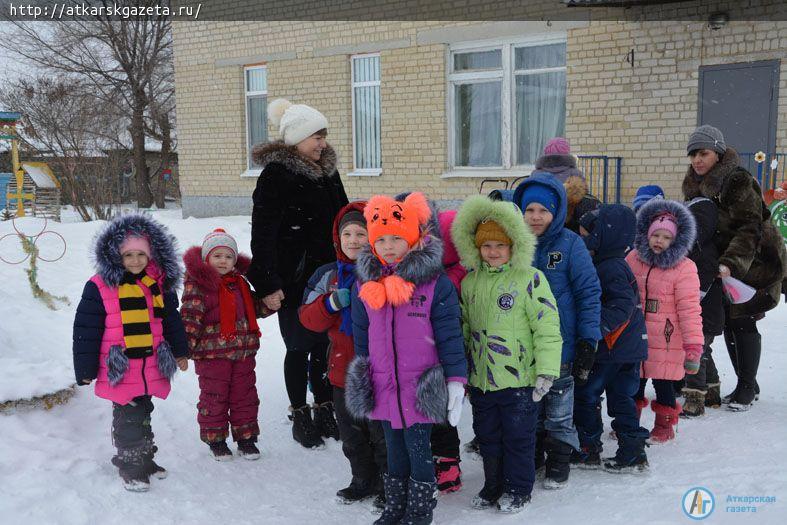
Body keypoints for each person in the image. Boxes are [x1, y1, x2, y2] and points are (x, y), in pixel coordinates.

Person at [345, 192, 467, 525]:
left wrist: (456, 379)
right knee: (394, 450)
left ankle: (419, 510)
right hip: (384, 385)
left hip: (419, 387)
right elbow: (361, 337)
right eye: (380, 239)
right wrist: (365, 375)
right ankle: (396, 506)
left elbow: (450, 335)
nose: (387, 246)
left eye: (396, 238)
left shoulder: (434, 285)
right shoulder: (365, 285)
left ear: (413, 239)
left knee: (418, 449)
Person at [248, 98, 349, 447]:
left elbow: (344, 218)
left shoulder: (328, 171)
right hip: (291, 278)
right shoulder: (277, 175)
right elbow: (263, 232)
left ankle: (323, 407)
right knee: (298, 346)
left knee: (324, 342)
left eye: (323, 135)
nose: (322, 143)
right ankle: (300, 413)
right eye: (315, 137)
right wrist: (267, 283)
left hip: (326, 275)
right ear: (296, 139)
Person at [452, 195, 562, 512]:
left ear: (514, 246)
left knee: (518, 438)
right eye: (487, 246)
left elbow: (547, 327)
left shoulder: (530, 279)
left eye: (501, 245)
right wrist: (462, 371)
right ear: (477, 249)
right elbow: (463, 328)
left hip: (518, 379)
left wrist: (546, 371)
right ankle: (493, 485)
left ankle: (518, 487)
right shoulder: (470, 282)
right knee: (488, 437)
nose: (494, 252)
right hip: (482, 379)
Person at [72, 213, 188, 492]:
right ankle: (131, 466)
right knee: (129, 416)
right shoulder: (100, 286)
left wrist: (180, 352)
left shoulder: (158, 284)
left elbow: (170, 319)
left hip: (150, 365)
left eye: (141, 254)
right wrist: (86, 370)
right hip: (120, 367)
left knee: (144, 411)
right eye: (128, 255)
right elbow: (86, 328)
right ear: (115, 255)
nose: (135, 261)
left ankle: (145, 460)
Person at [681, 125, 787, 411]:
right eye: (693, 155)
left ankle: (746, 385)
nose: (697, 161)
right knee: (728, 319)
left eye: (703, 154)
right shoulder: (693, 184)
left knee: (743, 318)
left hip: (756, 259)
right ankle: (747, 381)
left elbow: (750, 226)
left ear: (717, 152)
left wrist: (731, 262)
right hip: (721, 262)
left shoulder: (737, 180)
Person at [513, 173, 602, 489]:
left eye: (543, 211)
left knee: (560, 410)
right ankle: (535, 454)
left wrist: (588, 339)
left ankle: (559, 462)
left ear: (556, 212)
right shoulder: (512, 245)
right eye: (529, 210)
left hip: (561, 347)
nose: (536, 218)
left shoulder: (570, 244)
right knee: (530, 409)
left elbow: (588, 292)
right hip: (522, 348)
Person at [299, 202, 387, 509]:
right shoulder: (328, 275)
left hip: (378, 372)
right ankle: (362, 479)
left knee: (381, 432)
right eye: (346, 233)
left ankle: (389, 483)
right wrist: (329, 303)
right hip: (342, 371)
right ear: (337, 238)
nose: (353, 240)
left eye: (360, 233)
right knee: (350, 434)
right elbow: (307, 317)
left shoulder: (384, 272)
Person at [181, 229, 271, 460]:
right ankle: (216, 439)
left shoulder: (239, 283)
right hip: (212, 357)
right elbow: (190, 317)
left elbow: (253, 308)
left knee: (245, 395)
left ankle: (246, 438)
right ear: (206, 259)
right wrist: (183, 349)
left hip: (243, 352)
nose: (223, 261)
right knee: (214, 396)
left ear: (235, 260)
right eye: (217, 256)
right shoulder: (198, 284)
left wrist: (269, 304)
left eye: (228, 256)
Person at [574, 205, 650, 473]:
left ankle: (589, 448)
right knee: (622, 399)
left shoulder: (611, 267)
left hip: (612, 348)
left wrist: (594, 328)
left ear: (606, 236)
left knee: (587, 395)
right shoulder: (610, 263)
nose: (583, 239)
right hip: (626, 349)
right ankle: (631, 451)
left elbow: (622, 305)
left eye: (587, 234)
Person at [626, 199, 703, 443]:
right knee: (633, 383)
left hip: (667, 339)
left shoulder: (684, 268)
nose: (659, 241)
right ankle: (629, 424)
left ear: (677, 239)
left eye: (666, 237)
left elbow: (690, 309)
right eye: (655, 235)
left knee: (664, 383)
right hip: (635, 336)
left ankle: (664, 425)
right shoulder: (634, 259)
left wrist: (693, 347)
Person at [681, 196, 725, 416]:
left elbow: (702, 282)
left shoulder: (703, 250)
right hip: (706, 311)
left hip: (703, 312)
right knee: (703, 350)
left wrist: (690, 301)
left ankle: (694, 399)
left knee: (694, 352)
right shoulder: (695, 247)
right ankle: (712, 393)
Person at [533, 137, 601, 234]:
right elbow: (584, 197)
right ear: (567, 153)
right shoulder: (575, 173)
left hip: (541, 221)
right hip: (571, 224)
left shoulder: (536, 174)